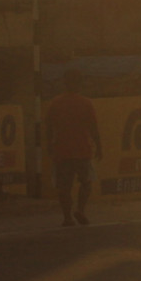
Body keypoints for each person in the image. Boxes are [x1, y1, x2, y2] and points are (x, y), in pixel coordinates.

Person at [46, 69, 102, 226]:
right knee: (86, 182)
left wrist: (50, 144)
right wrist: (99, 146)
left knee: (64, 186)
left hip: (62, 150)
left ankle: (67, 217)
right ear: (79, 83)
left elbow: (48, 126)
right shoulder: (85, 103)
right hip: (82, 149)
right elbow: (93, 127)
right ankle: (80, 210)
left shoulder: (56, 103)